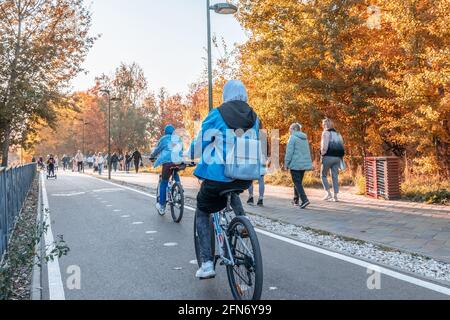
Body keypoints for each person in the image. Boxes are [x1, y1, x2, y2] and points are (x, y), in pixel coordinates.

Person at [189, 80, 261, 280]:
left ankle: (206, 263)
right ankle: (242, 223)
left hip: (219, 175)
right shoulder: (254, 116)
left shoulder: (217, 113)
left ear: (226, 94)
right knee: (232, 189)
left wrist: (191, 154)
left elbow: (201, 141)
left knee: (203, 210)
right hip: (244, 176)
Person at [150, 125, 184, 215]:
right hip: (178, 161)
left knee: (164, 182)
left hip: (167, 162)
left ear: (165, 132)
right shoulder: (178, 139)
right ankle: (179, 188)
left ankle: (161, 206)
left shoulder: (164, 139)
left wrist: (152, 156)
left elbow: (158, 149)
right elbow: (182, 149)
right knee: (175, 170)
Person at [285, 123, 313, 209]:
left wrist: (286, 163)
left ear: (294, 129)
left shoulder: (292, 138)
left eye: (290, 128)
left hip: (295, 164)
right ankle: (296, 199)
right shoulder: (304, 138)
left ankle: (304, 200)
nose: (289, 130)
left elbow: (289, 152)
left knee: (297, 182)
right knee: (298, 182)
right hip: (303, 164)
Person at [320, 118, 345, 202]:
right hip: (337, 158)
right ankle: (335, 197)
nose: (323, 126)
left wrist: (322, 153)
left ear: (325, 125)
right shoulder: (338, 134)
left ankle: (328, 193)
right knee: (335, 176)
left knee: (323, 175)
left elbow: (324, 146)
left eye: (323, 124)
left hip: (328, 157)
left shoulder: (325, 133)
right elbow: (341, 146)